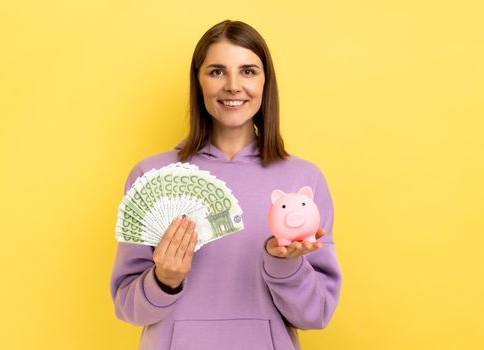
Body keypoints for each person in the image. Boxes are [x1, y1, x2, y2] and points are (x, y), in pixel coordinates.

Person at [110, 19, 342, 350]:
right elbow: (127, 308)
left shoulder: (303, 179)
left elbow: (316, 314)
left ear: (266, 82)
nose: (233, 85)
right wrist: (166, 280)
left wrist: (284, 265)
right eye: (217, 71)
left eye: (248, 71)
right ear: (198, 81)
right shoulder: (151, 174)